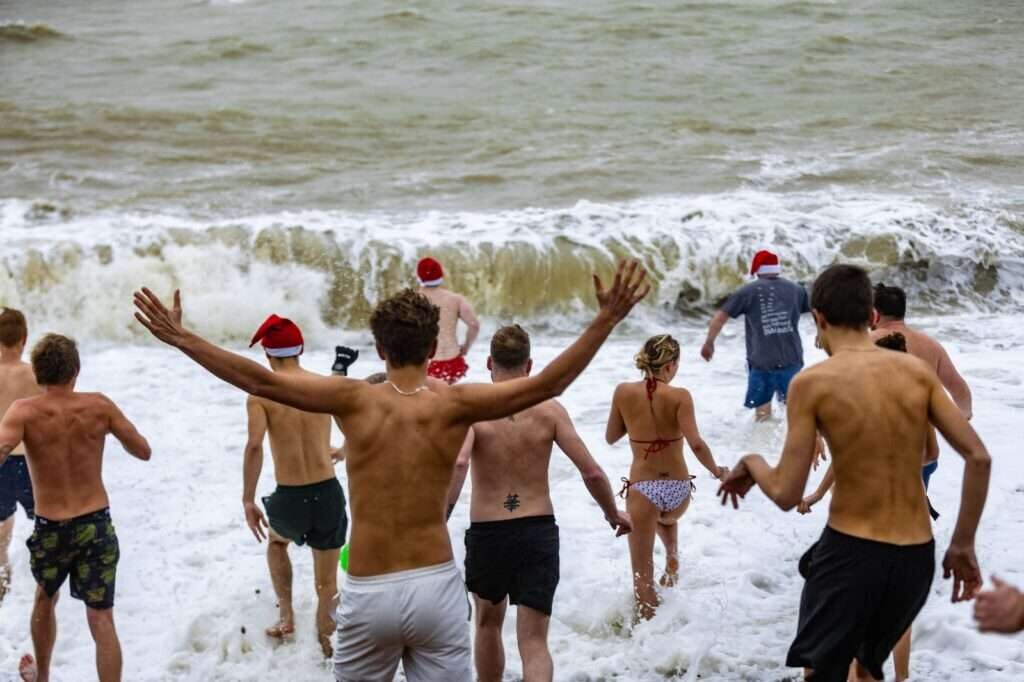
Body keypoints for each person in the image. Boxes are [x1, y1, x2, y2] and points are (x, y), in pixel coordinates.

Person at [132, 261, 649, 682]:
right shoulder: (455, 404)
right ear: (432, 349)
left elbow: (260, 381)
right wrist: (604, 322)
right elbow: (548, 385)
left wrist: (183, 338)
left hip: (369, 586)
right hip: (435, 587)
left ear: (379, 349)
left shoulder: (353, 399)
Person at [717, 264, 991, 682]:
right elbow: (978, 457)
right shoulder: (916, 372)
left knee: (820, 673)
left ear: (820, 319)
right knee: (865, 670)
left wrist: (751, 463)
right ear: (872, 316)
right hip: (916, 557)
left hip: (853, 553)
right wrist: (963, 545)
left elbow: (788, 494)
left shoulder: (812, 383)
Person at [446, 324, 632, 682]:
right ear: (529, 365)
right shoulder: (550, 411)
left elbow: (458, 463)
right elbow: (591, 471)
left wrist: (441, 517)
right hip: (536, 529)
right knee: (533, 641)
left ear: (489, 363)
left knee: (487, 624)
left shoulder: (475, 410)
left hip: (488, 532)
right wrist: (613, 513)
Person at [0, 334, 151, 682]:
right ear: (76, 371)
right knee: (101, 616)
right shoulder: (99, 406)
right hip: (96, 524)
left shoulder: (24, 411)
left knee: (44, 600)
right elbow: (142, 450)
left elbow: (3, 448)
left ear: (37, 373)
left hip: (52, 528)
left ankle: (43, 677)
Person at [242, 314, 347, 657]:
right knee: (326, 584)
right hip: (328, 493)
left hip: (290, 497)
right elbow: (360, 429)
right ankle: (327, 648)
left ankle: (286, 616)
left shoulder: (263, 395)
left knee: (276, 543)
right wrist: (340, 451)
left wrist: (247, 498)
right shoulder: (325, 385)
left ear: (268, 356)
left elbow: (255, 445)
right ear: (300, 348)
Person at [606, 334, 729, 621]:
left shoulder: (623, 392)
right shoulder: (681, 396)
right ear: (671, 365)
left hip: (643, 488)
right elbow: (697, 443)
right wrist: (718, 471)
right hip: (679, 490)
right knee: (664, 517)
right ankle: (672, 557)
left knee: (642, 577)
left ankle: (649, 640)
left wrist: (637, 420)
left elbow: (611, 437)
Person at [701, 250, 811, 420]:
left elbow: (720, 317)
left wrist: (709, 343)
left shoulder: (748, 291)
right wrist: (821, 334)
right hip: (792, 359)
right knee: (795, 413)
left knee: (762, 416)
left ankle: (763, 445)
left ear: (757, 270)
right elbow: (817, 311)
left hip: (762, 362)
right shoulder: (796, 289)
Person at [0, 308, 42, 604]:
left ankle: (2, 579)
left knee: (2, 530)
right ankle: (47, 581)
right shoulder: (34, 374)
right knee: (44, 522)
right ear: (24, 339)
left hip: (0, 463)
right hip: (29, 463)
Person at [416, 256, 480, 384]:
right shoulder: (455, 299)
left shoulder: (414, 299)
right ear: (441, 276)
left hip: (428, 364)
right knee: (449, 398)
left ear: (419, 277)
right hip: (453, 362)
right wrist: (466, 347)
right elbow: (474, 325)